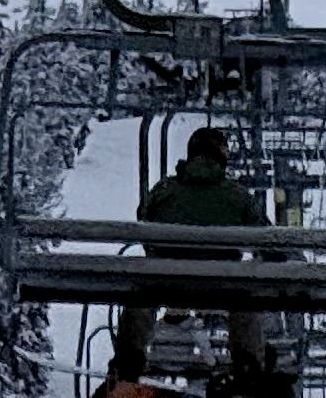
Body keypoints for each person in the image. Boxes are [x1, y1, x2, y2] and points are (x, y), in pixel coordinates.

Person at [107, 127, 286, 398]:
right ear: (221, 157)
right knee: (247, 301)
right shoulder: (236, 195)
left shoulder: (164, 190)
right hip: (222, 284)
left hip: (166, 282)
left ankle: (127, 367)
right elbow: (265, 238)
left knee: (141, 296)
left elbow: (145, 222)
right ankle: (248, 369)